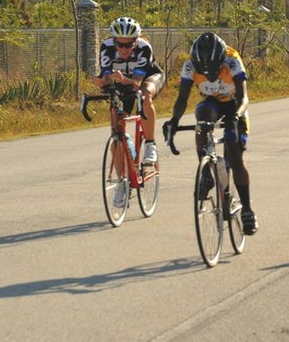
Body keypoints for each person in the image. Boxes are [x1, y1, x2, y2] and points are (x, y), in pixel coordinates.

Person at [163, 32, 258, 235]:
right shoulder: (189, 66)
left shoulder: (232, 60)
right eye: (205, 73)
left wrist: (237, 117)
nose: (211, 76)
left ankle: (247, 210)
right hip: (212, 103)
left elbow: (244, 98)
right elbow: (182, 99)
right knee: (203, 118)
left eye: (215, 71)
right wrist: (174, 121)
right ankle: (206, 173)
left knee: (235, 156)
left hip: (234, 105)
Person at [93, 17, 164, 169]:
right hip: (123, 81)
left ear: (136, 41)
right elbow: (106, 75)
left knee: (144, 95)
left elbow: (136, 82)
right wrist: (101, 80)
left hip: (148, 78)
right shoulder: (106, 47)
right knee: (116, 132)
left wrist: (121, 78)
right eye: (120, 44)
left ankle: (151, 144)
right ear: (114, 41)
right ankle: (121, 183)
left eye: (129, 44)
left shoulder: (144, 47)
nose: (124, 49)